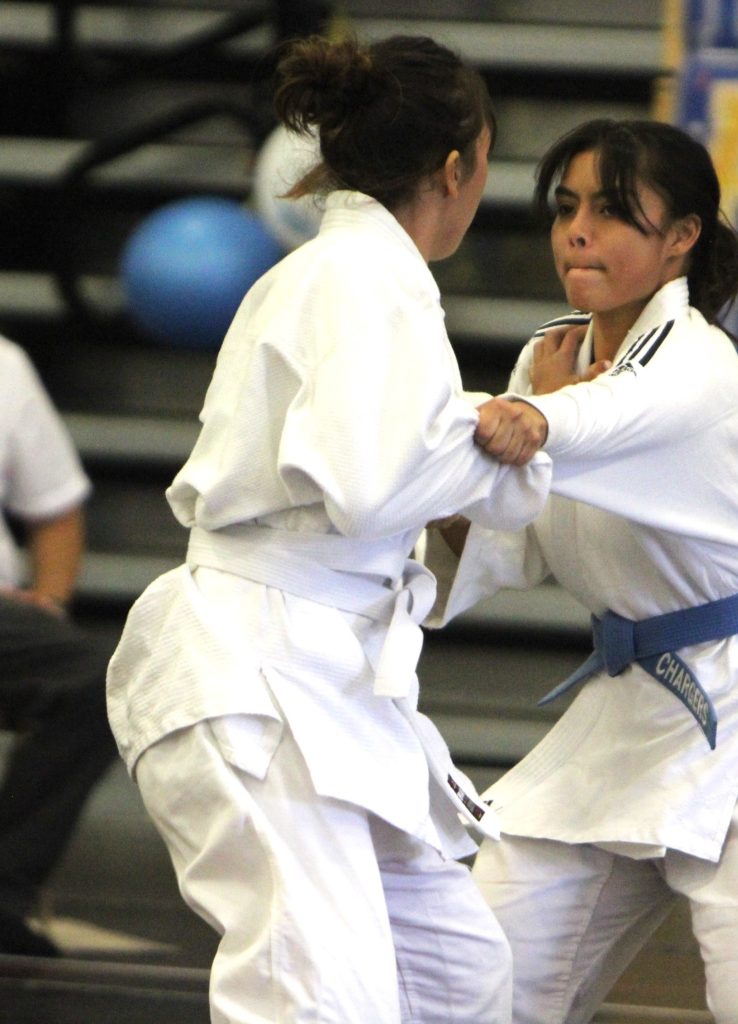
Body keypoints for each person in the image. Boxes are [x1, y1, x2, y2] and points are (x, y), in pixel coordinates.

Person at [106, 34, 550, 1024]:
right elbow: (364, 482)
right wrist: (494, 436)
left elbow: (381, 468)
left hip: (323, 672)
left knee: (454, 974)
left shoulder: (354, 275)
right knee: (316, 997)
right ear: (455, 167)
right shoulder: (355, 280)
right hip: (254, 669)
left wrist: (487, 435)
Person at [428, 119, 738, 1024]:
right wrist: (475, 471)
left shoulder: (696, 366)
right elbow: (510, 536)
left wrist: (536, 422)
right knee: (478, 988)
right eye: (566, 210)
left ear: (680, 238)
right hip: (629, 711)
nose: (577, 233)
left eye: (610, 213)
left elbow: (607, 420)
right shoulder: (552, 360)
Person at [0, 334, 116, 956]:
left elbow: (56, 510)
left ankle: (3, 889)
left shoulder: (4, 364)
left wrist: (48, 601)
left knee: (95, 681)